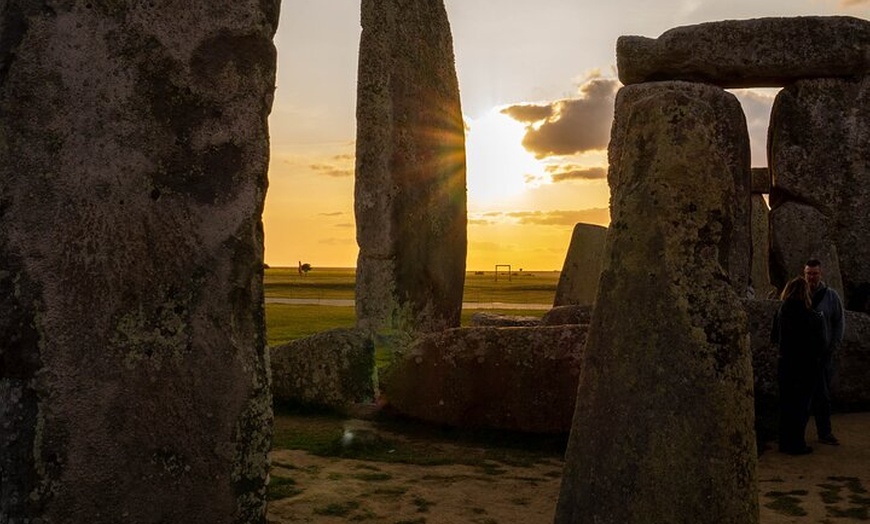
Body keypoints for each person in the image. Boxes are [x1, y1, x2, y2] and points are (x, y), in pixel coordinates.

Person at [771, 276, 827, 455]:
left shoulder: (780, 313)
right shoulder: (812, 316)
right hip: (806, 366)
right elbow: (821, 344)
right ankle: (797, 444)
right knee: (801, 406)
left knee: (786, 404)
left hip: (785, 363)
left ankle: (784, 442)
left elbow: (774, 338)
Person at [804, 258, 846, 445]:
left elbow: (839, 321)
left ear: (820, 274)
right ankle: (797, 434)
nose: (811, 277)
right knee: (801, 396)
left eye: (814, 273)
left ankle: (825, 432)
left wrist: (833, 345)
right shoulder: (798, 293)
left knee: (822, 395)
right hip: (803, 355)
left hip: (823, 355)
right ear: (804, 274)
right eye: (808, 273)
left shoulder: (831, 296)